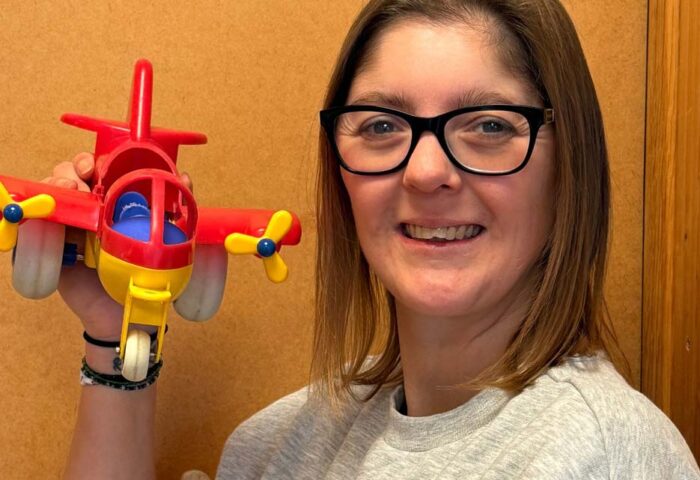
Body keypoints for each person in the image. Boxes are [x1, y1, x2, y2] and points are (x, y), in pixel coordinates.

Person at [49, 0, 699, 478]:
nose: (425, 171)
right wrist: (117, 333)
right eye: (382, 125)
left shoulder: (605, 453)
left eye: (490, 125)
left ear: (568, 167)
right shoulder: (276, 448)